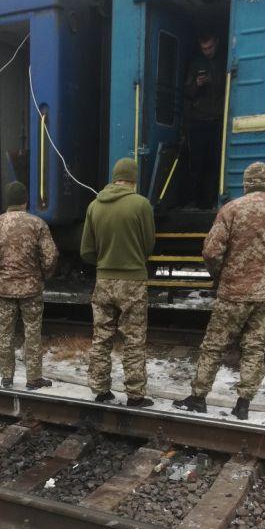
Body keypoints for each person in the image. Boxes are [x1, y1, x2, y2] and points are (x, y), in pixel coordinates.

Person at [174, 162, 265, 420]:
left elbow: (211, 252)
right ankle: (243, 404)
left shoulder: (231, 209)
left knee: (214, 346)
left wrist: (220, 273)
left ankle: (198, 397)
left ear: (246, 182)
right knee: (255, 348)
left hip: (233, 291)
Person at [80, 157, 155, 408]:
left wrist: (105, 260)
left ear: (115, 177)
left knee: (101, 337)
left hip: (103, 280)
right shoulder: (141, 204)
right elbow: (148, 244)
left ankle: (101, 390)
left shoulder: (94, 206)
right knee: (134, 339)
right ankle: (135, 394)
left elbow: (86, 251)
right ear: (133, 179)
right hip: (132, 280)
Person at [0, 181, 58, 390]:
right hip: (31, 290)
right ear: (25, 200)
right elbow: (50, 257)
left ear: (8, 201)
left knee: (5, 333)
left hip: (4, 290)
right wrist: (42, 275)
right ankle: (33, 379)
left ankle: (6, 377)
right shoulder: (37, 224)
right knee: (32, 332)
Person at [184, 32, 226, 209]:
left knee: (214, 162)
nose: (207, 51)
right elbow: (187, 91)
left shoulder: (224, 61)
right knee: (197, 163)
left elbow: (228, 84)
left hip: (217, 119)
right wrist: (197, 84)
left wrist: (213, 80)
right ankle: (196, 202)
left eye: (209, 47)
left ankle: (213, 201)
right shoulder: (196, 63)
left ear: (216, 42)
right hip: (198, 120)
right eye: (203, 48)